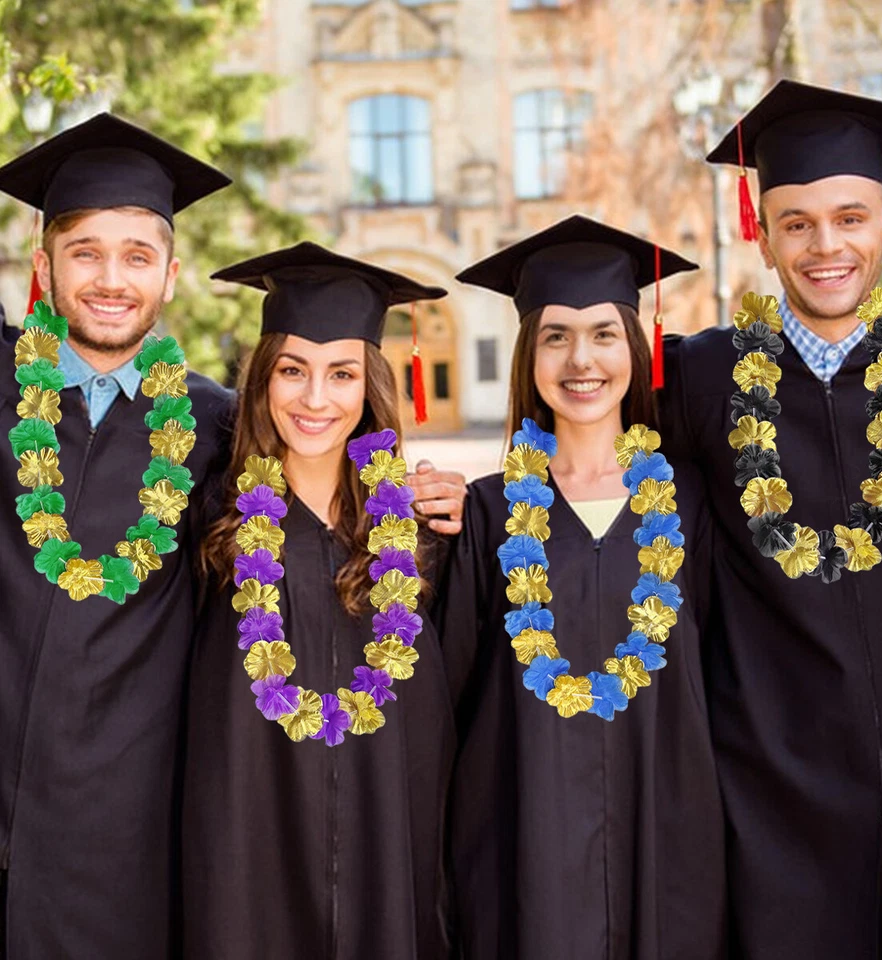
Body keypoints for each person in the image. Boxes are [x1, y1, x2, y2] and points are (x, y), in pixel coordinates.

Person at [661, 79, 882, 959]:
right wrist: (468, 500)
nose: (827, 245)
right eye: (796, 222)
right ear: (761, 236)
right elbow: (582, 443)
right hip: (779, 820)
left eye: (852, 217)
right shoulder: (703, 381)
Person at [441, 215, 726, 960]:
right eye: (555, 336)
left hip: (668, 837)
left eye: (603, 333)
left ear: (634, 347)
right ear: (528, 358)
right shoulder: (487, 511)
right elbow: (452, 694)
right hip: (522, 848)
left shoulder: (691, 503)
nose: (582, 359)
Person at [179, 242, 458, 959]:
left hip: (383, 853)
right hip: (247, 856)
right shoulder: (214, 523)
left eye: (341, 374)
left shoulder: (418, 534)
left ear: (368, 385)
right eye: (292, 370)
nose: (314, 398)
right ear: (263, 378)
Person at [0, 113, 233, 957]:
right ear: (43, 266)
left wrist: (414, 510)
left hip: (120, 832)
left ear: (170, 276)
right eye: (85, 250)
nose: (111, 277)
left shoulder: (214, 426)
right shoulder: (4, 384)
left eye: (137, 255)